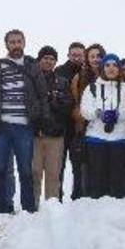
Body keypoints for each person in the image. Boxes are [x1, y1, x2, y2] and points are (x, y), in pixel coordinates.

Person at [0, 29, 48, 213]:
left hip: (24, 127)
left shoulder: (32, 66)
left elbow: (42, 95)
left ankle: (28, 209)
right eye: (12, 42)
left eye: (19, 41)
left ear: (24, 43)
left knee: (26, 171)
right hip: (0, 127)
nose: (16, 45)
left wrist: (41, 121)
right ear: (7, 45)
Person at [80, 54, 125, 198]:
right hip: (96, 139)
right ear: (102, 68)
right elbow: (84, 110)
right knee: (97, 181)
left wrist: (118, 115)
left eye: (115, 65)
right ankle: (97, 216)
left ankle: (116, 216)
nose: (111, 68)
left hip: (120, 139)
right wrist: (98, 113)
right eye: (107, 65)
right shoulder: (91, 88)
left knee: (117, 181)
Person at [32, 45, 72, 202]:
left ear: (55, 62)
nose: (48, 61)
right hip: (35, 134)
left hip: (55, 134)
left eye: (51, 59)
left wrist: (54, 101)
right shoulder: (31, 80)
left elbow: (67, 105)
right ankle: (32, 207)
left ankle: (52, 207)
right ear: (39, 60)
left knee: (53, 173)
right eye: (45, 58)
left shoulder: (62, 82)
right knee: (34, 172)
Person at [68, 43, 105, 200]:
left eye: (98, 56)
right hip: (83, 129)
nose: (96, 59)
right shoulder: (79, 77)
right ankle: (79, 201)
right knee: (81, 169)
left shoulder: (111, 74)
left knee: (100, 168)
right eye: (92, 56)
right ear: (87, 59)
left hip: (106, 130)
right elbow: (75, 104)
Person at [55, 42, 86, 201]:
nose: (76, 58)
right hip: (62, 124)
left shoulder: (87, 73)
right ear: (68, 55)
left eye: (79, 55)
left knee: (79, 164)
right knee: (59, 164)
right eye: (73, 55)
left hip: (80, 126)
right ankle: (57, 197)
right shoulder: (59, 71)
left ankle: (78, 196)